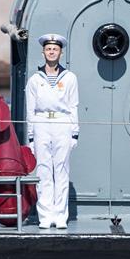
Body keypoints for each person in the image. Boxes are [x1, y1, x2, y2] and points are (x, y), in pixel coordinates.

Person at [25, 34, 79, 229]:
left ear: (60, 52)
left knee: (62, 170)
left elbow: (74, 106)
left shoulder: (70, 78)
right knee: (44, 170)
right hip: (41, 123)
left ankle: (60, 215)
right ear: (43, 52)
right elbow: (30, 110)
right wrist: (30, 135)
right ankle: (46, 215)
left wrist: (74, 132)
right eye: (48, 49)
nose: (51, 52)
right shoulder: (34, 80)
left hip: (62, 122)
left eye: (55, 49)